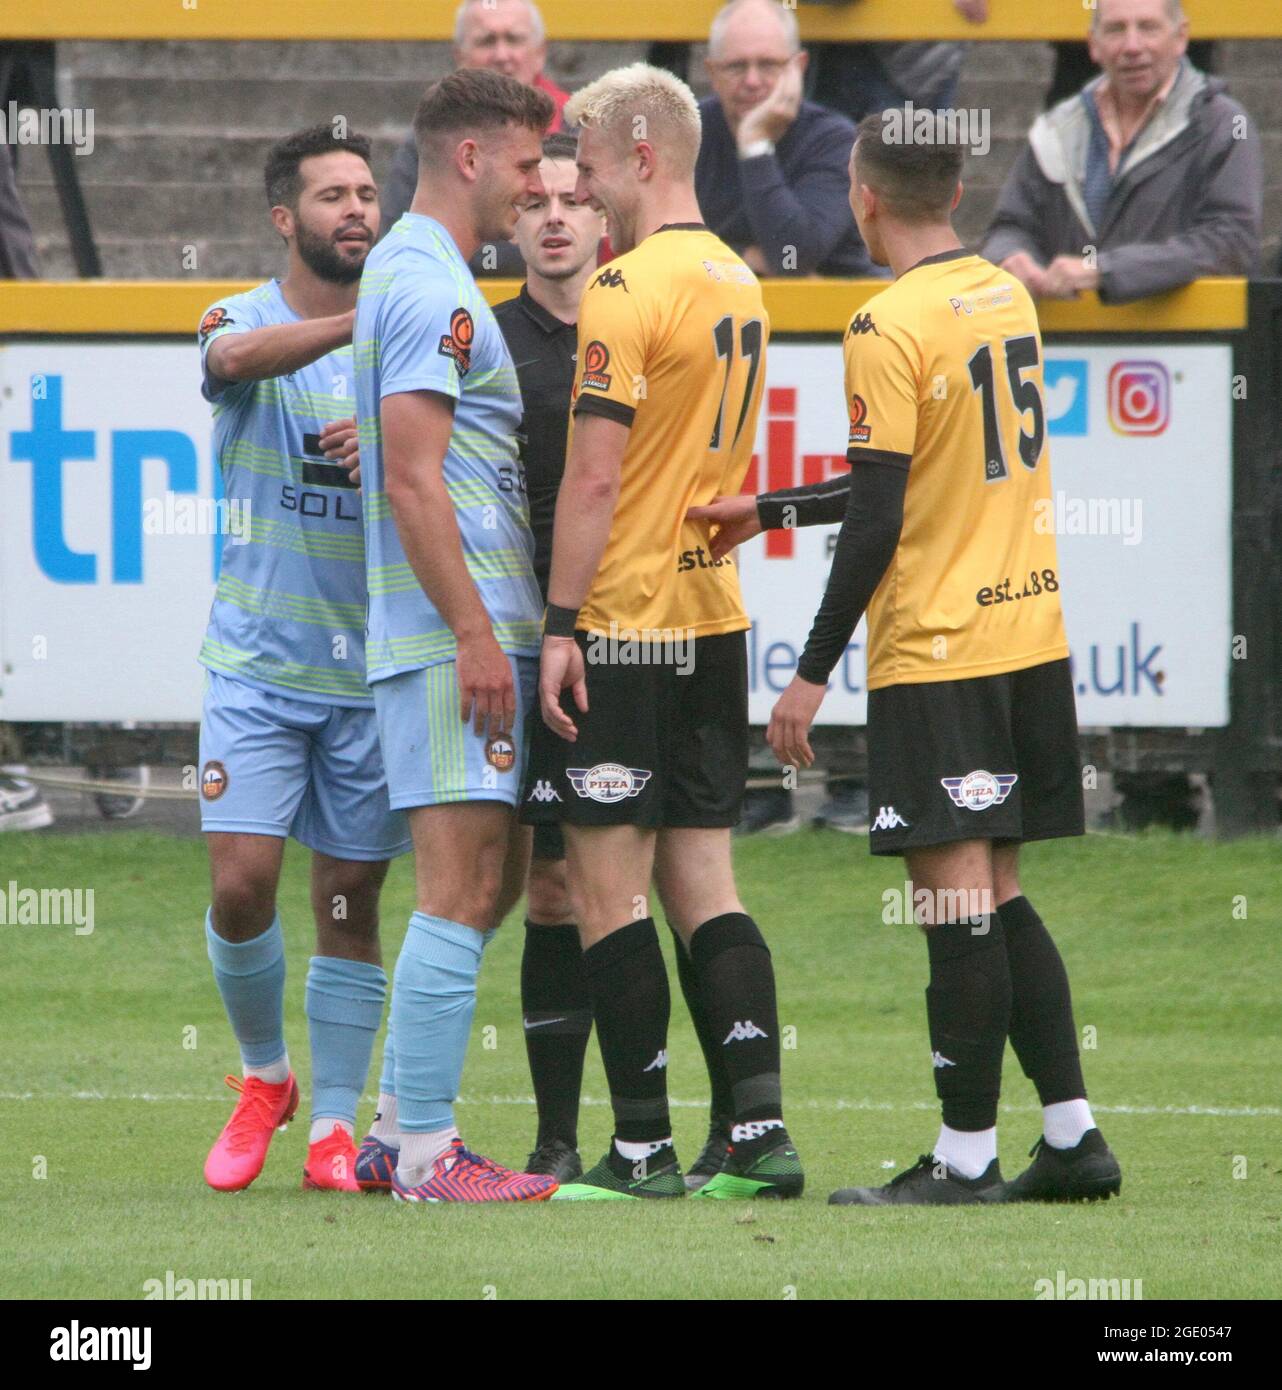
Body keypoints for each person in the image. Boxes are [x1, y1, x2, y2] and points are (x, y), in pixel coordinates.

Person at [692, 112, 1122, 1206]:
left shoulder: (885, 324)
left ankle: (965, 1157)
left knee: (951, 903)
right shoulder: (1000, 293)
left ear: (859, 194)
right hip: (1028, 636)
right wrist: (776, 506)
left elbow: (881, 518)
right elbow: (913, 480)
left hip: (938, 649)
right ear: (960, 189)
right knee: (998, 891)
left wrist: (809, 669)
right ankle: (1070, 1136)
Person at [525, 62, 804, 1201]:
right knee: (706, 875)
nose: (578, 196)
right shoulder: (740, 278)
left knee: (607, 888)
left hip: (625, 619)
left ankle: (637, 1145)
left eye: (586, 171)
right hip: (714, 619)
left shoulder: (625, 287)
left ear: (638, 157)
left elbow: (593, 481)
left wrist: (557, 625)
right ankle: (757, 1132)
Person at [350, 68, 558, 1204]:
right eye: (527, 165)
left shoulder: (418, 274)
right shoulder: (432, 285)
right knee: (458, 883)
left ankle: (392, 1129)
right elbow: (414, 480)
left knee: (491, 884)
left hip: (473, 631)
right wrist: (475, 634)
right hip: (451, 641)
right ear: (471, 157)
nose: (538, 188)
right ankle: (427, 1151)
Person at [197, 126, 411, 1196]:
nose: (357, 209)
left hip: (368, 675)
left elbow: (461, 456)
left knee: (346, 904)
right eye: (333, 195)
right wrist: (348, 332)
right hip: (256, 664)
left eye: (368, 192)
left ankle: (332, 1128)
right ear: (287, 218)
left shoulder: (409, 336)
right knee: (241, 885)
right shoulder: (240, 316)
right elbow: (226, 366)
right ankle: (262, 1077)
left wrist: (393, 445)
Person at [492, 132, 605, 1184]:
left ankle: (658, 1131)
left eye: (576, 198)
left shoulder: (643, 327)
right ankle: (557, 1133)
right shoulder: (484, 342)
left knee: (647, 878)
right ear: (513, 221)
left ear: (606, 217)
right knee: (553, 889)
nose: (557, 215)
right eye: (538, 202)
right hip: (535, 640)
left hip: (645, 631)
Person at [982, 0, 1261, 304]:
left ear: (1180, 37)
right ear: (1094, 45)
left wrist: (1106, 271)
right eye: (1115, 29)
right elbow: (1009, 226)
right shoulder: (1058, 128)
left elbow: (1231, 242)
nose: (1132, 46)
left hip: (1180, 344)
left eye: (1148, 28)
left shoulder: (1223, 123)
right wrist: (1011, 258)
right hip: (1069, 343)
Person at [380, 0, 569, 276]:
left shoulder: (581, 128)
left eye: (514, 39)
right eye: (486, 41)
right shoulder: (433, 136)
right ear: (459, 56)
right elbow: (402, 236)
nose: (503, 55)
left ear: (540, 52)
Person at [695, 0, 878, 278]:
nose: (752, 81)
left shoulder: (835, 141)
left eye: (768, 65)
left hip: (830, 317)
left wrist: (754, 144)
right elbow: (652, 244)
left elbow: (791, 256)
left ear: (799, 66)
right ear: (712, 73)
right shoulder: (688, 133)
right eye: (736, 67)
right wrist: (745, 256)